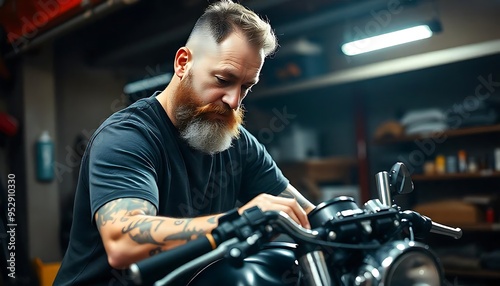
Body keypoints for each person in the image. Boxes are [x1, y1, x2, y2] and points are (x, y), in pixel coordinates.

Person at [54, 0, 315, 285]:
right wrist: (243, 219)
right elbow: (123, 242)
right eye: (223, 79)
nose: (234, 101)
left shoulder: (238, 144)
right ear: (183, 63)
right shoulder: (126, 137)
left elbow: (307, 215)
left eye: (246, 87)